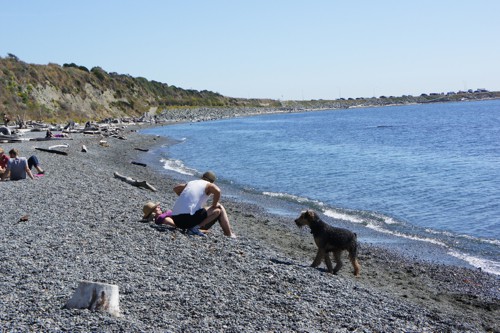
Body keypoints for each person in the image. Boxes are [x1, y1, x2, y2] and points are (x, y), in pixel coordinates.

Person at [171, 171, 236, 238]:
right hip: (187, 220)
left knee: (204, 209)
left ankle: (194, 227)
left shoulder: (192, 183)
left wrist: (185, 199)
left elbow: (176, 188)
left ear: (202, 177)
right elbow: (218, 191)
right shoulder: (208, 185)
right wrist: (215, 204)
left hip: (176, 219)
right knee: (218, 209)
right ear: (212, 182)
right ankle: (228, 234)